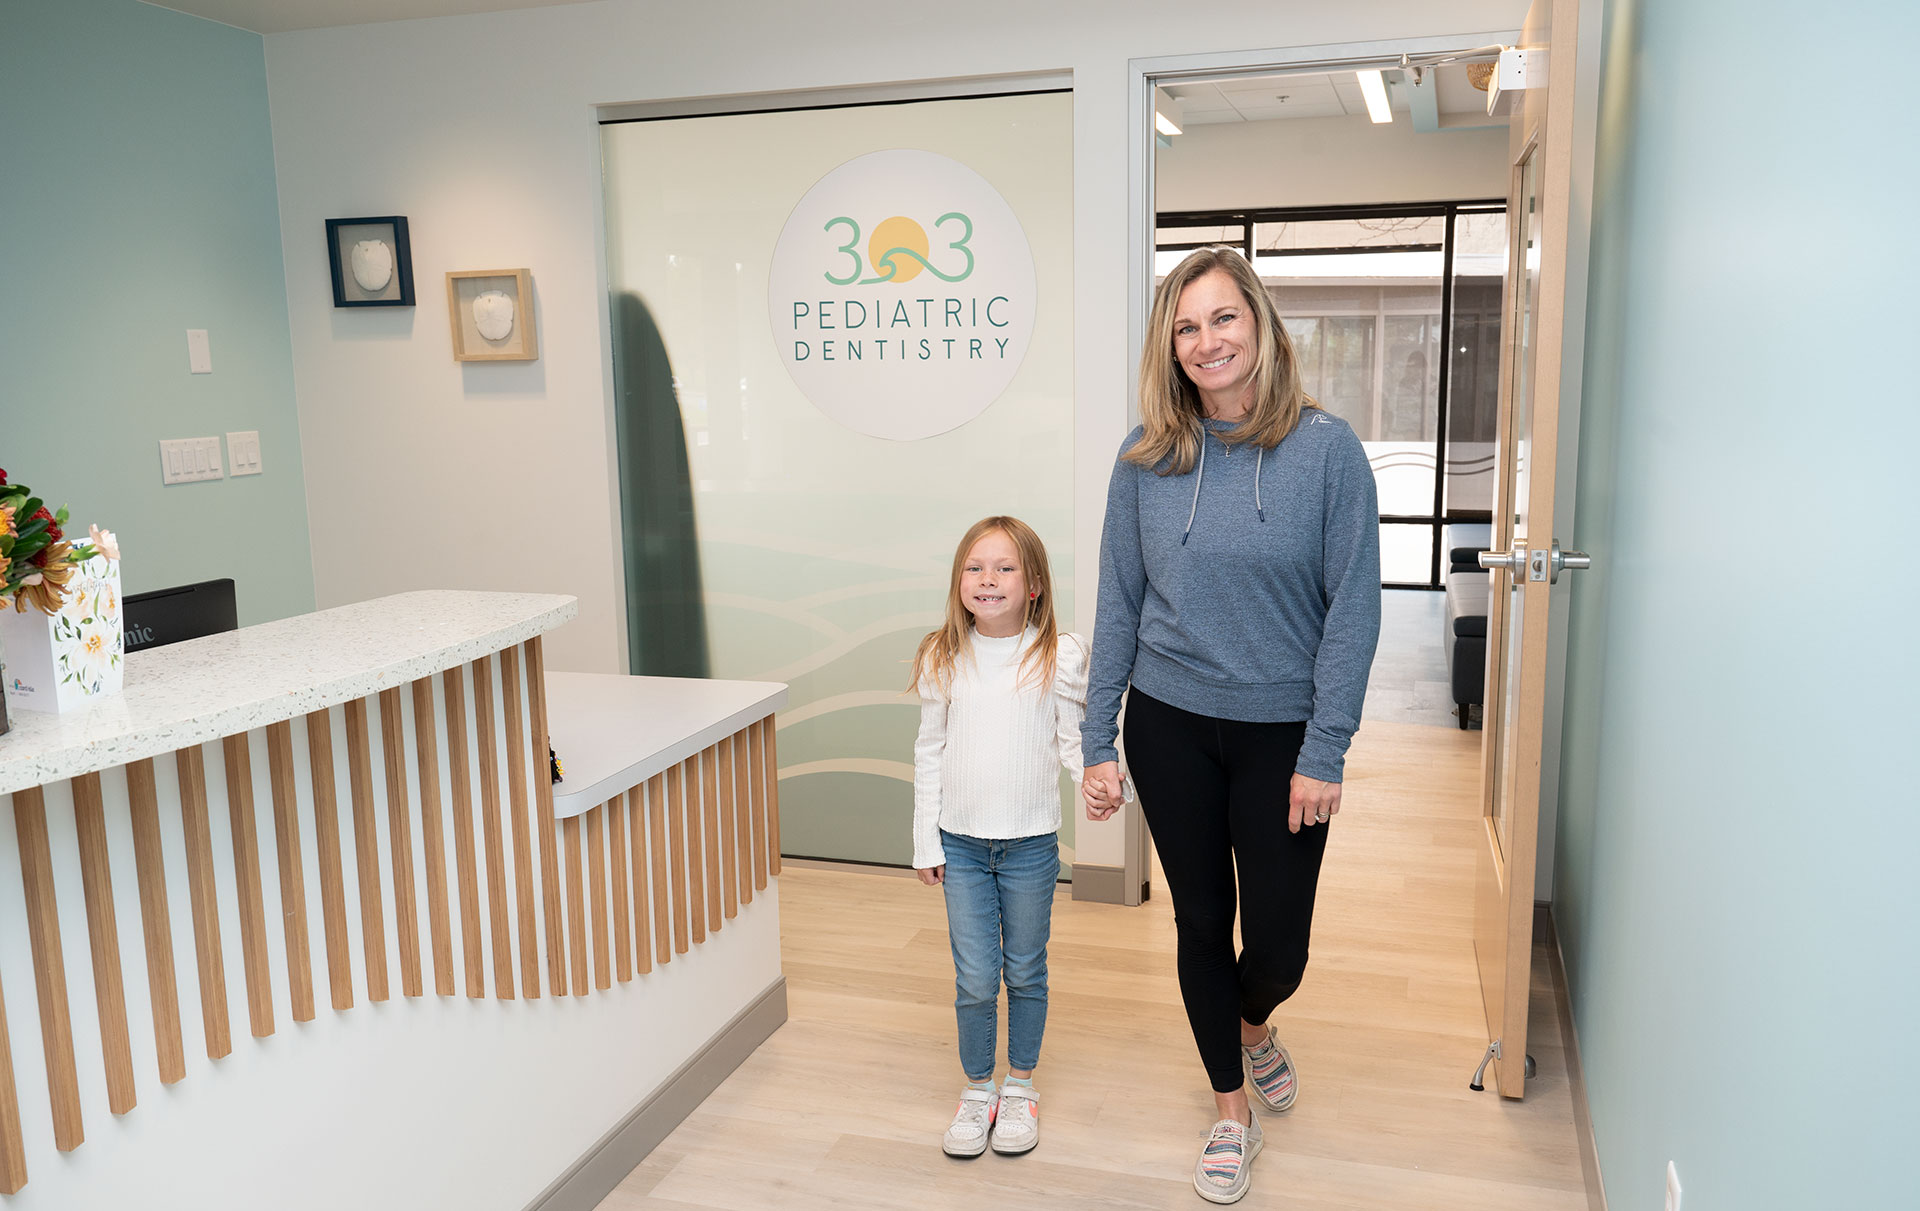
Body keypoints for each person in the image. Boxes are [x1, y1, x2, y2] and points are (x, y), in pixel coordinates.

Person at [1080, 247, 1381, 1204]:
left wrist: (1325, 745)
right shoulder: (1144, 460)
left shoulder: (1327, 451)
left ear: (1259, 325)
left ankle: (1255, 1024)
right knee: (1203, 918)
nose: (1206, 342)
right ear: (1169, 348)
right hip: (1168, 724)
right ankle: (1229, 1112)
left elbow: (1354, 608)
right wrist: (1096, 738)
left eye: (1222, 319)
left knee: (1280, 942)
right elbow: (1118, 604)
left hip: (1282, 733)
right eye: (1185, 326)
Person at [910, 515, 1124, 1159]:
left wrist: (1103, 780)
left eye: (1004, 568)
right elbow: (929, 752)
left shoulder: (1059, 654)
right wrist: (926, 840)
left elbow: (1073, 743)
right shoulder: (941, 655)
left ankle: (1019, 1086)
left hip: (1031, 845)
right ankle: (978, 1089)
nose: (987, 579)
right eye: (974, 568)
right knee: (975, 976)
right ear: (958, 582)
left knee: (1025, 970)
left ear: (1034, 584)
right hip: (962, 846)